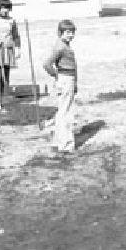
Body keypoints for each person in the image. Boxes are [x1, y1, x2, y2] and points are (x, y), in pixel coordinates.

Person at [42, 20, 78, 153]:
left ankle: (58, 142)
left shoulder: (65, 45)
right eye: (67, 32)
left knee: (62, 111)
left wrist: (75, 83)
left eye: (72, 32)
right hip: (65, 78)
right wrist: (57, 76)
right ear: (60, 33)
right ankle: (66, 145)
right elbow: (46, 64)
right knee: (66, 113)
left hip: (69, 79)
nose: (70, 35)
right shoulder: (60, 47)